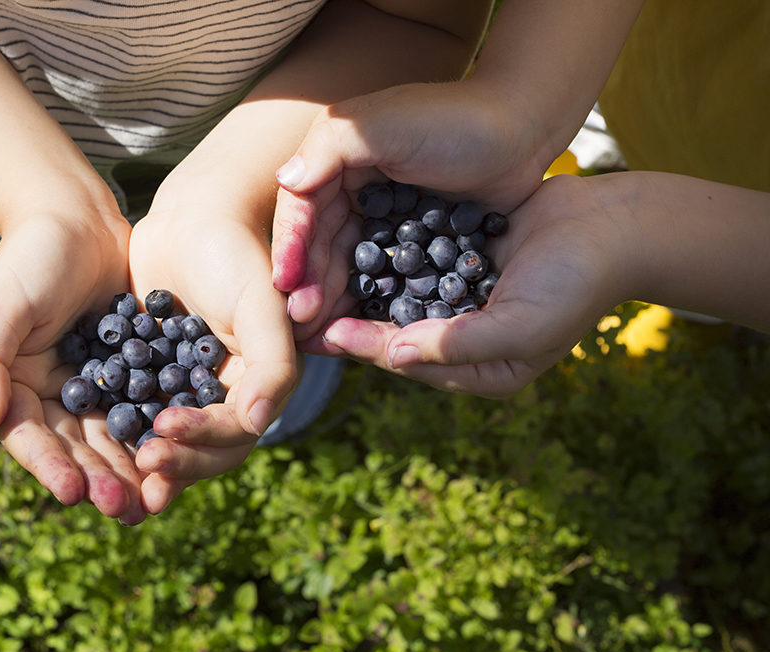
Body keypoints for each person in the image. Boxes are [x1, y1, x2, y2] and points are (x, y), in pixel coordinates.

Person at [0, 0, 495, 523]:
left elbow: (417, 16)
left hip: (273, 133)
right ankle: (16, 256)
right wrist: (43, 204)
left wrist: (222, 194)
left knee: (280, 299)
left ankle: (291, 353)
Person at [270, 0, 770, 398]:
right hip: (655, 55)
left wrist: (636, 240)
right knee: (632, 122)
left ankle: (694, 290)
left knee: (699, 272)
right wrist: (526, 112)